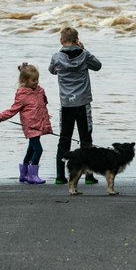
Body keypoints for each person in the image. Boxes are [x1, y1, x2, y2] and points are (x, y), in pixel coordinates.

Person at [49, 26, 102, 185]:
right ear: (77, 39)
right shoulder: (85, 55)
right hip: (83, 103)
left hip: (66, 104)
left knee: (64, 139)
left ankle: (60, 175)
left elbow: (52, 71)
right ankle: (89, 176)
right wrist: (83, 49)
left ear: (61, 40)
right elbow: (98, 66)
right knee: (86, 139)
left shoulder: (57, 57)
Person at [0, 63, 52, 184]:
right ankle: (32, 175)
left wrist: (45, 116)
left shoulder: (40, 91)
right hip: (30, 126)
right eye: (33, 80)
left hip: (39, 124)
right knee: (38, 149)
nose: (36, 82)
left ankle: (24, 174)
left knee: (31, 149)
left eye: (37, 79)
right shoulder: (23, 94)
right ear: (24, 80)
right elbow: (13, 110)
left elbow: (42, 106)